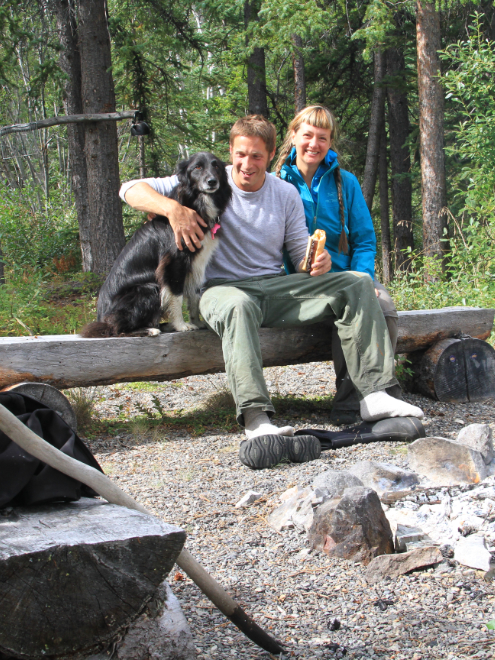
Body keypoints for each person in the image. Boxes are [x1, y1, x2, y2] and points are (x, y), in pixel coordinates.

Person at [118, 115, 424, 469]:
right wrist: (173, 209)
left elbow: (298, 252)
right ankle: (256, 417)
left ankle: (373, 394)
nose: (247, 165)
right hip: (218, 291)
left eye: (257, 157)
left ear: (271, 155)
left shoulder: (284, 192)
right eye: (240, 155)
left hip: (272, 286)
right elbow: (129, 188)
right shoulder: (209, 179)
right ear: (231, 153)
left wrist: (317, 262)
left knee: (355, 282)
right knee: (238, 306)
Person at [274, 105, 401, 424]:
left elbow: (365, 239)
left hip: (347, 275)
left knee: (382, 306)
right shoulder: (275, 183)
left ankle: (365, 397)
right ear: (293, 136)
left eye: (322, 137)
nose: (314, 144)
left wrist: (364, 277)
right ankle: (360, 399)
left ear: (330, 142)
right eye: (307, 135)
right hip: (299, 281)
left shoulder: (346, 183)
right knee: (347, 307)